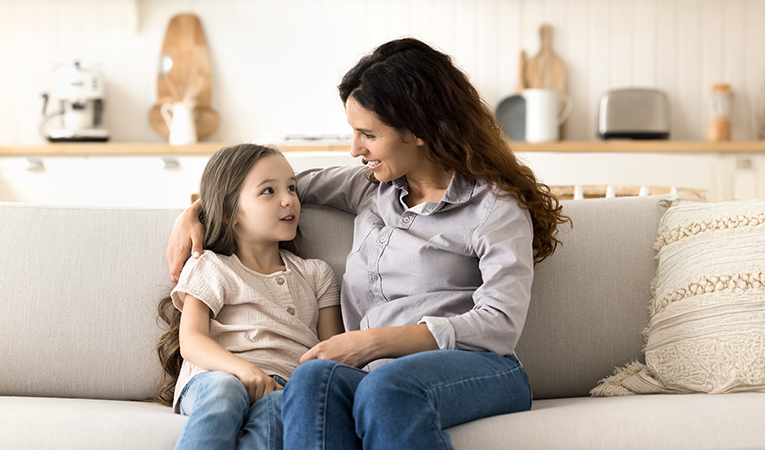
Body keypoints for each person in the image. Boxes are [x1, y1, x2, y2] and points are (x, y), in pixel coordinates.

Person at [167, 38, 569, 449]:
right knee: (311, 378)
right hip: (374, 372)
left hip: (479, 367)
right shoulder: (371, 187)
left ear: (418, 130)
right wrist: (199, 210)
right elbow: (264, 190)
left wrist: (372, 342)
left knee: (387, 387)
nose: (355, 149)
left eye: (368, 134)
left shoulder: (495, 206)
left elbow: (499, 324)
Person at [155, 143, 344, 450]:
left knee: (278, 411)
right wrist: (244, 371)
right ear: (229, 213)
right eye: (268, 191)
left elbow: (332, 353)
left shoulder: (316, 274)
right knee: (225, 391)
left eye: (292, 188)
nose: (289, 200)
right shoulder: (211, 265)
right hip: (216, 377)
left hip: (283, 388)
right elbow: (191, 340)